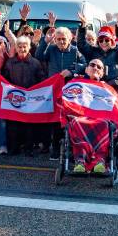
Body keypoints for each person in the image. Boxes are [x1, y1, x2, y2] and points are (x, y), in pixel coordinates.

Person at [77, 12, 118, 160]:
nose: (103, 43)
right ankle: (97, 151)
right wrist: (83, 27)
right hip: (97, 92)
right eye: (101, 39)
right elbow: (81, 45)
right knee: (95, 122)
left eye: (107, 40)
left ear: (112, 41)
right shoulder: (93, 52)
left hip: (116, 91)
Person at [36, 20, 87, 159]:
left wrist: (71, 71)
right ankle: (55, 149)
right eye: (58, 39)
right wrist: (45, 40)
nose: (61, 41)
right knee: (55, 120)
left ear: (69, 38)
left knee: (70, 120)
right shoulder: (51, 49)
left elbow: (84, 64)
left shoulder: (75, 50)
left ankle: (71, 150)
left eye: (64, 39)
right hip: (54, 89)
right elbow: (39, 56)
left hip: (70, 90)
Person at [68, 59, 118, 173]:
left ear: (102, 73)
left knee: (105, 124)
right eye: (92, 65)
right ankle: (80, 161)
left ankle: (99, 161)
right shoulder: (77, 83)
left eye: (99, 67)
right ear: (86, 69)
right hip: (81, 117)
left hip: (100, 118)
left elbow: (117, 107)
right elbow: (67, 99)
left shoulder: (107, 88)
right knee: (76, 122)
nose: (95, 68)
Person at [3, 36, 46, 155]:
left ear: (29, 48)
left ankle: (28, 148)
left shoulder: (35, 63)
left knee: (29, 124)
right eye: (20, 47)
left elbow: (41, 79)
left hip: (30, 98)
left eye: (24, 46)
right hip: (14, 98)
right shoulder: (10, 62)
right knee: (13, 124)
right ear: (16, 48)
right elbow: (5, 79)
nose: (22, 49)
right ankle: (14, 147)